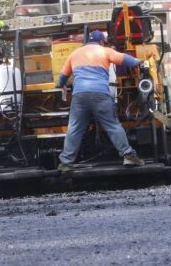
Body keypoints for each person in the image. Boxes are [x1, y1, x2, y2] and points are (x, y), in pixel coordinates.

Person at [57, 30, 145, 170]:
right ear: (101, 42)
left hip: (79, 96)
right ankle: (128, 156)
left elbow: (62, 77)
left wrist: (61, 85)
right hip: (100, 94)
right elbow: (124, 59)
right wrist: (139, 61)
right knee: (112, 126)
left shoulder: (75, 54)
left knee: (74, 128)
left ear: (88, 41)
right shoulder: (104, 51)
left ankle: (66, 163)